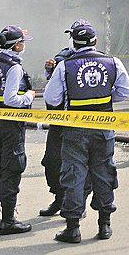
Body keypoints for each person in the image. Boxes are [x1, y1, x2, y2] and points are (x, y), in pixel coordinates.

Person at [43, 20, 129, 244]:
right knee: (104, 173)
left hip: (74, 130)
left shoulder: (64, 66)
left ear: (73, 42)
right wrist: (106, 97)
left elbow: (51, 98)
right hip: (103, 127)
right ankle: (104, 225)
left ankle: (72, 229)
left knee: (74, 175)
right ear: (95, 41)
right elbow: (127, 90)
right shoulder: (113, 62)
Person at [0, 25, 36, 235]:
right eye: (23, 42)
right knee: (12, 168)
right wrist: (29, 96)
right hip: (10, 122)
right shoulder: (14, 66)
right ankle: (8, 220)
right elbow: (11, 98)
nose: (24, 45)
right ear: (16, 45)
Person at [38, 38, 80, 217]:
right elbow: (52, 93)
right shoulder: (62, 57)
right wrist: (50, 69)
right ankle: (59, 198)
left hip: (79, 124)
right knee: (52, 161)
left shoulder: (93, 59)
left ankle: (77, 204)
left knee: (78, 165)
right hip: (58, 121)